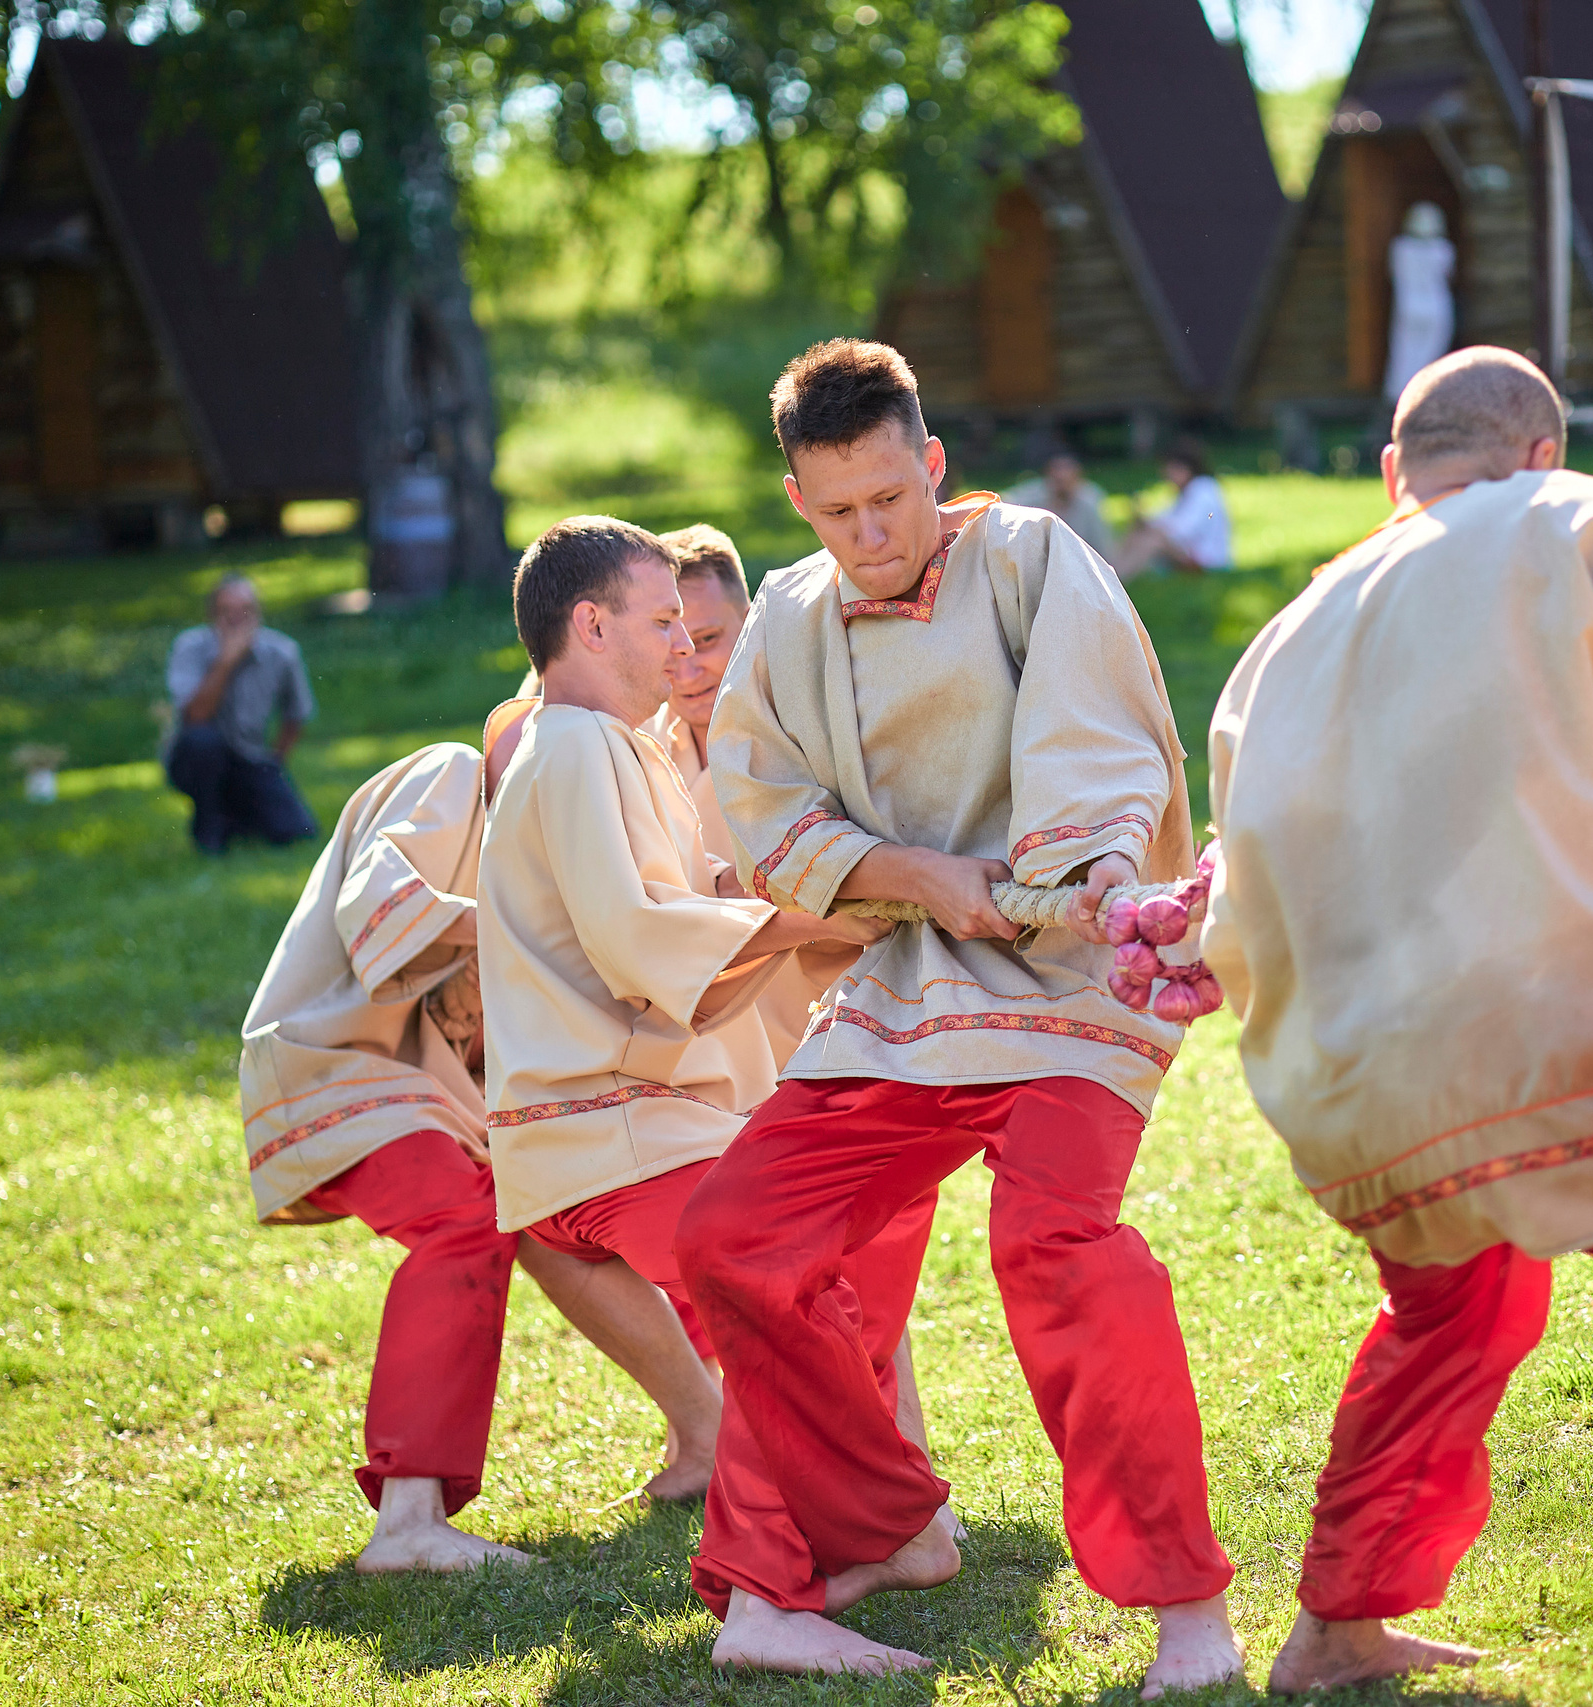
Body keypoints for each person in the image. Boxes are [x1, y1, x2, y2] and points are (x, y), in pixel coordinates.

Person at [1197, 345, 1593, 1693]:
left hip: (1344, 1087)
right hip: (1535, 1044)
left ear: (1392, 472)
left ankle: (1336, 1624)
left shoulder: (1281, 632)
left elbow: (1233, 902)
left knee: (1456, 1308)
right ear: (1539, 450)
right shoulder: (1569, 516)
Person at [679, 338, 1240, 1691]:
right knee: (731, 1238)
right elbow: (763, 802)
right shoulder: (789, 624)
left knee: (1059, 1250)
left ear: (931, 464)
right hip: (906, 987)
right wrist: (912, 874)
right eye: (836, 510)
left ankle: (1191, 1618)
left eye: (890, 497)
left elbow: (1095, 740)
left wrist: (1090, 881)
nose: (870, 533)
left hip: (1065, 977)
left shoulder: (1035, 555)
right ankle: (887, 1519)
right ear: (799, 503)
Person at [240, 736, 755, 1569]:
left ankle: (706, 1432)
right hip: (336, 1062)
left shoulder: (554, 836)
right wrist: (527, 927)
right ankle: (408, 1521)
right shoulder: (451, 771)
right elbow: (380, 908)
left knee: (556, 1194)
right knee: (470, 1214)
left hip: (427, 1085)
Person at [478, 517, 891, 1482]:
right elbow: (637, 935)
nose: (683, 647)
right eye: (664, 621)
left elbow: (697, 900)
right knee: (792, 1287)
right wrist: (812, 919)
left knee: (602, 1255)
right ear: (591, 625)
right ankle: (883, 1517)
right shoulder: (577, 742)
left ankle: (742, 1459)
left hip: (556, 1148)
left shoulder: (604, 745)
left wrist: (863, 901)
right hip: (620, 1122)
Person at [165, 575, 320, 854]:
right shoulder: (190, 647)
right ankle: (209, 833)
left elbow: (297, 715)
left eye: (245, 610)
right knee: (202, 742)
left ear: (258, 613)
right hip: (195, 759)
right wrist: (226, 661)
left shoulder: (282, 652)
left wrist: (274, 763)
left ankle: (238, 818)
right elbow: (196, 716)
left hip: (251, 756)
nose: (237, 619)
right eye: (228, 611)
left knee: (299, 831)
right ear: (212, 615)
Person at [1110, 440, 1231, 578]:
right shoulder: (1189, 491)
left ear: (1185, 469)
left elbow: (1183, 531)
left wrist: (1151, 525)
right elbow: (1169, 517)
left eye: (1171, 469)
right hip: (1192, 553)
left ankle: (1118, 576)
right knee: (1139, 532)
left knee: (1154, 540)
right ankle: (1113, 571)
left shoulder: (1203, 490)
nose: (1166, 474)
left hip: (1206, 560)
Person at [1382, 202, 1456, 402]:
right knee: (1430, 353)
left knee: (1404, 352)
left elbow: (1393, 274)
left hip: (1409, 306)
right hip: (1435, 307)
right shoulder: (1443, 249)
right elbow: (1448, 275)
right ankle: (1422, 393)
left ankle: (1401, 394)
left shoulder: (1400, 248)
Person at [1003, 450, 1115, 558]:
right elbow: (1003, 503)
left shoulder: (1090, 499)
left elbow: (1101, 545)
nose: (1061, 476)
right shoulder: (1034, 493)